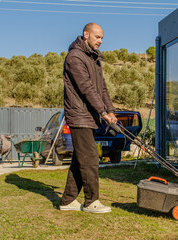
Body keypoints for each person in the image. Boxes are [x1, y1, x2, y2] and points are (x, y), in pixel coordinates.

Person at [59, 23, 117, 213]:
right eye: (97, 37)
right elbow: (86, 88)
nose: (100, 41)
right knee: (90, 157)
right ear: (86, 35)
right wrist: (102, 111)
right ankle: (91, 201)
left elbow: (102, 88)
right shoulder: (75, 57)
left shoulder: (94, 59)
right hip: (79, 115)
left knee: (80, 159)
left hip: (89, 116)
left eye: (102, 38)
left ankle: (67, 201)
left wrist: (111, 111)